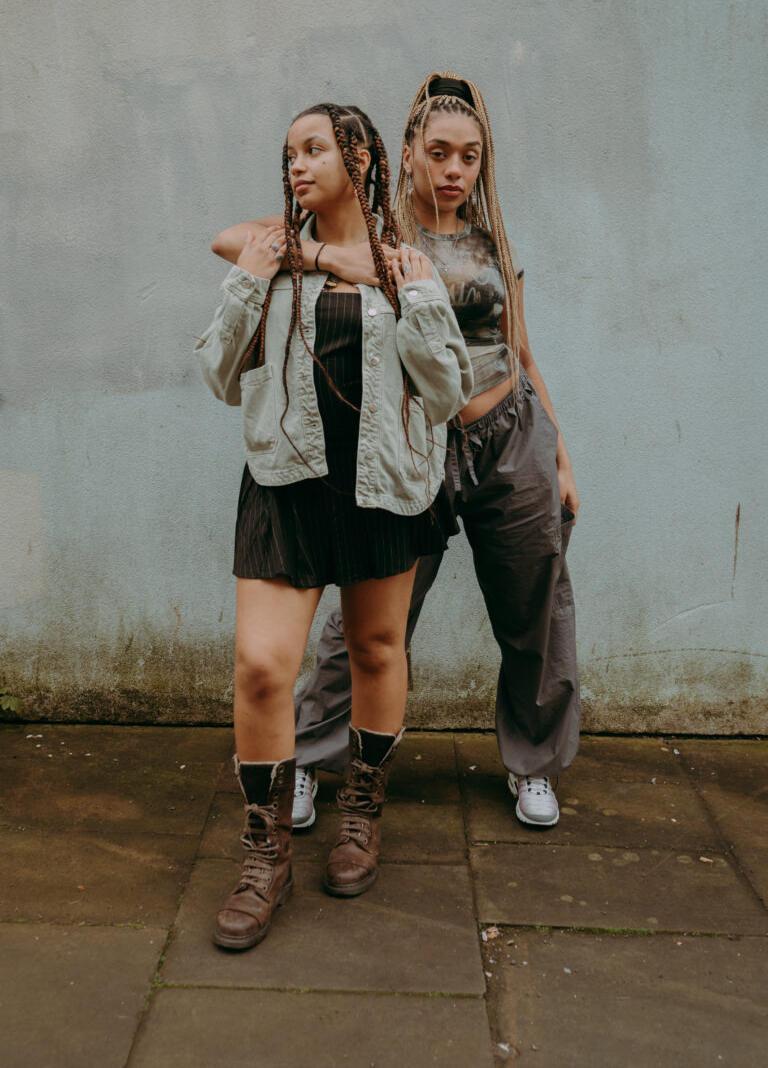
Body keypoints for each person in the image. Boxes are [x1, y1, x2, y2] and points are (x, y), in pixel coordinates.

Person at [212, 72, 580, 836]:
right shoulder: (378, 231)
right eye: (439, 152)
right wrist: (332, 259)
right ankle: (313, 753)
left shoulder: (492, 240)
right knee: (370, 624)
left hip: (511, 433)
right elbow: (235, 239)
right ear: (406, 153)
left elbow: (520, 348)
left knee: (533, 605)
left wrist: (561, 453)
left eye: (470, 157)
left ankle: (533, 762)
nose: (454, 170)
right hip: (417, 439)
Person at [196, 102, 472, 950]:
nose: (296, 165)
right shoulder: (270, 253)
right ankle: (264, 853)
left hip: (385, 483)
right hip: (286, 485)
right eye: (289, 152)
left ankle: (360, 809)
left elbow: (447, 391)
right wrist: (266, 273)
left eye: (314, 149)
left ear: (362, 159)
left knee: (376, 651)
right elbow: (219, 377)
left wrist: (407, 292)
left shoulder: (406, 264)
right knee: (260, 667)